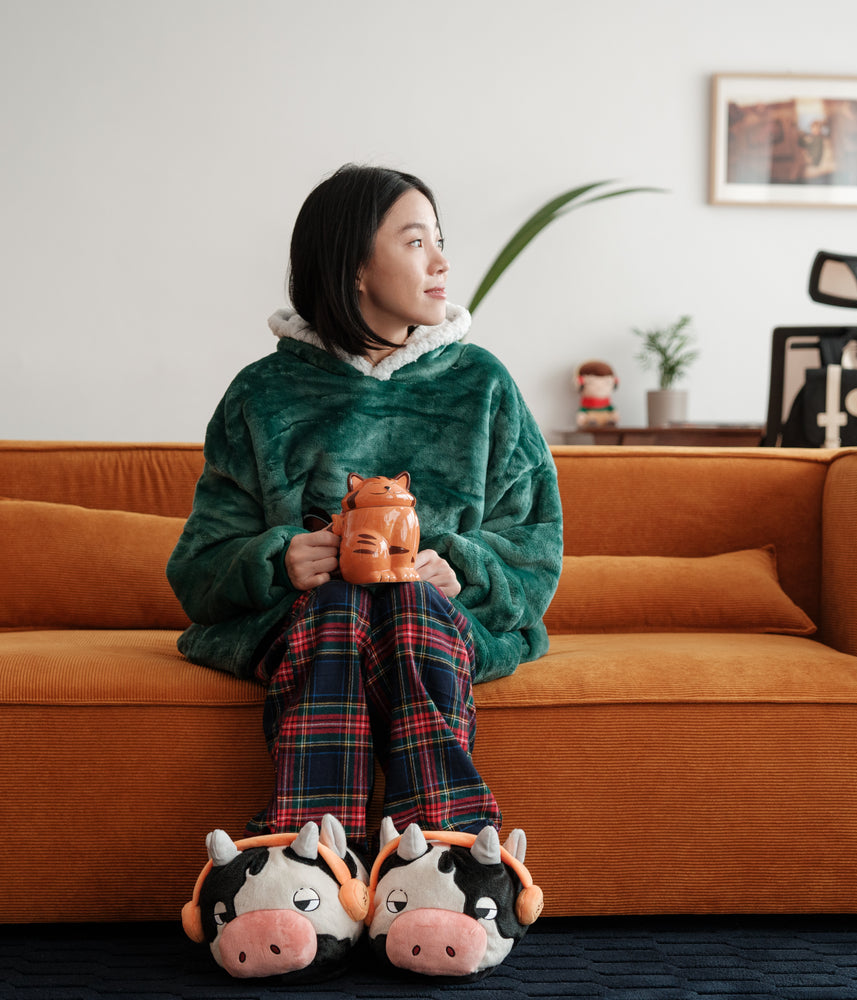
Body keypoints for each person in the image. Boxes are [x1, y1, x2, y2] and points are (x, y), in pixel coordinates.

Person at [167, 164, 563, 861]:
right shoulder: (262, 394)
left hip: (440, 623)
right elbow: (198, 571)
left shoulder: (484, 386)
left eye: (440, 240)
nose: (442, 262)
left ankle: (337, 859)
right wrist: (279, 559)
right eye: (416, 243)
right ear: (353, 267)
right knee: (343, 604)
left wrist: (457, 570)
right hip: (302, 624)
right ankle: (418, 859)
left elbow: (533, 556)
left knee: (405, 604)